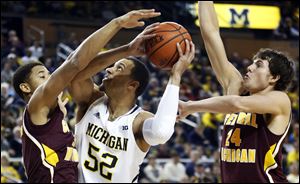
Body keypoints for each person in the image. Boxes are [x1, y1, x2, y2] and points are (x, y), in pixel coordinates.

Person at [12, 9, 161, 183]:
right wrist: (118, 24)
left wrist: (128, 50)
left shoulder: (54, 114)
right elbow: (75, 63)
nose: (51, 79)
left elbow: (77, 68)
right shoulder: (37, 104)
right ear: (25, 87)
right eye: (43, 76)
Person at [177, 1, 295, 183]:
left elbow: (235, 104)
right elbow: (210, 34)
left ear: (274, 78)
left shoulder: (279, 100)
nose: (249, 67)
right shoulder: (236, 86)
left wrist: (190, 106)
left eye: (259, 65)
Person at [68, 25, 195, 182]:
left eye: (118, 68)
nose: (108, 70)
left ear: (132, 85)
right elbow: (73, 71)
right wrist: (126, 50)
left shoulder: (138, 121)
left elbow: (161, 132)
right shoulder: (91, 101)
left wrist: (175, 76)